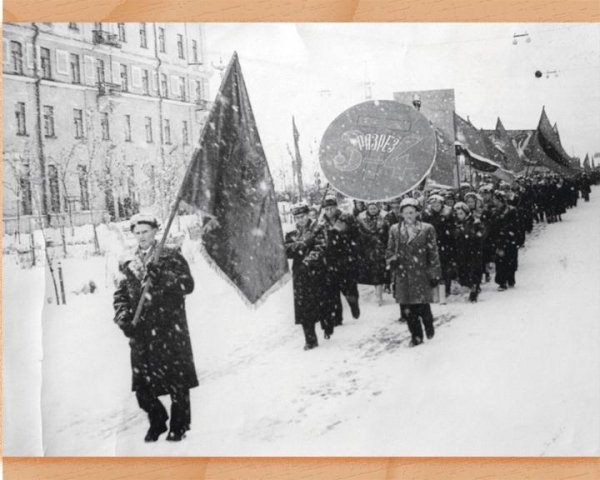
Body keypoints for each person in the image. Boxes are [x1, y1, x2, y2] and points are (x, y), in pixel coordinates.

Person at [113, 214, 198, 442]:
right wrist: (123, 317)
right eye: (137, 233)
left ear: (155, 232)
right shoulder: (127, 260)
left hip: (169, 328)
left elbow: (187, 284)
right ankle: (157, 420)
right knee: (142, 387)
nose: (141, 237)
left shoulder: (170, 255)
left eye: (146, 232)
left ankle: (179, 425)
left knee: (176, 381)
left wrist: (164, 277)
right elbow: (120, 294)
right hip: (141, 331)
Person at [386, 198, 441, 347]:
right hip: (403, 274)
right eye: (405, 213)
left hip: (420, 273)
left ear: (417, 213)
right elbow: (389, 250)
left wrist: (434, 273)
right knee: (407, 309)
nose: (409, 216)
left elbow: (433, 252)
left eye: (411, 212)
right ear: (401, 214)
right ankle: (416, 336)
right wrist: (392, 260)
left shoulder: (427, 228)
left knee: (422, 306)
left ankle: (428, 324)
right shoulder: (395, 229)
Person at [285, 203, 333, 350]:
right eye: (297, 217)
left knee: (323, 303)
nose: (300, 220)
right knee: (304, 308)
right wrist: (300, 244)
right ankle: (310, 339)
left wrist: (308, 260)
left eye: (303, 216)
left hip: (318, 272)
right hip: (300, 275)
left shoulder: (318, 228)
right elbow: (287, 251)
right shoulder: (291, 234)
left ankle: (327, 325)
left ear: (308, 215)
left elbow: (322, 247)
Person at [320, 195, 361, 323]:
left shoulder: (346, 218)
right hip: (330, 259)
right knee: (333, 290)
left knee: (349, 287)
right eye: (326, 209)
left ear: (336, 207)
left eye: (331, 208)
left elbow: (357, 235)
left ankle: (353, 304)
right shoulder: (321, 223)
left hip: (345, 257)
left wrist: (351, 248)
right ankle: (337, 317)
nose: (329, 211)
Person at [357, 202, 389, 306]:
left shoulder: (385, 216)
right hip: (367, 250)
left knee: (379, 272)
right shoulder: (361, 218)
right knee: (370, 273)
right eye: (370, 208)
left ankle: (379, 295)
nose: (372, 210)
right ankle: (371, 295)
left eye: (374, 208)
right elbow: (359, 233)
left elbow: (388, 233)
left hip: (381, 249)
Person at [452, 202, 485, 302]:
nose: (459, 216)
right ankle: (469, 286)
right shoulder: (457, 223)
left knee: (474, 271)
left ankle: (474, 290)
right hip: (462, 252)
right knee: (464, 271)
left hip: (473, 252)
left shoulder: (475, 222)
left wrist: (470, 234)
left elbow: (481, 235)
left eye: (461, 213)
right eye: (457, 214)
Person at [488, 191, 520, 291]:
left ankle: (510, 278)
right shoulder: (493, 212)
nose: (494, 202)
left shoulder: (511, 210)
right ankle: (502, 282)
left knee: (511, 260)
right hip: (498, 240)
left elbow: (516, 225)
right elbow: (492, 226)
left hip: (509, 239)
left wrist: (508, 232)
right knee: (500, 261)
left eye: (496, 200)